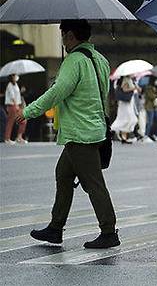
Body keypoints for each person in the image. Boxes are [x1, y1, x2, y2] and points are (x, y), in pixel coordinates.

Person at [20, 20, 119, 249]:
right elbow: (103, 93)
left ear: (70, 35)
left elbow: (58, 91)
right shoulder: (100, 60)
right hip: (93, 129)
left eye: (63, 34)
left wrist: (29, 111)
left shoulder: (73, 61)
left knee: (94, 183)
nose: (62, 40)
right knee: (63, 174)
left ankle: (108, 231)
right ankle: (55, 227)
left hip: (80, 133)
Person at [111, 76, 138, 144]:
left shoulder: (131, 79)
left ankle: (124, 137)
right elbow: (124, 89)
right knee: (126, 119)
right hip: (125, 103)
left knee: (129, 119)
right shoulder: (126, 79)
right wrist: (133, 88)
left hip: (129, 102)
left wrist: (136, 87)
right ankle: (114, 130)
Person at [4, 74, 27, 144]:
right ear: (11, 77)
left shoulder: (16, 84)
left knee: (23, 120)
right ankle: (7, 138)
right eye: (14, 75)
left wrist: (21, 91)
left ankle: (19, 137)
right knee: (11, 122)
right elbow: (12, 96)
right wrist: (16, 105)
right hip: (12, 105)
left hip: (18, 105)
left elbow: (17, 95)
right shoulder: (10, 85)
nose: (16, 77)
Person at [144, 77, 157, 143]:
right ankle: (146, 136)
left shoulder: (155, 87)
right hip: (149, 107)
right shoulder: (148, 87)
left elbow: (155, 96)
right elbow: (151, 96)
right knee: (150, 122)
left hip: (155, 107)